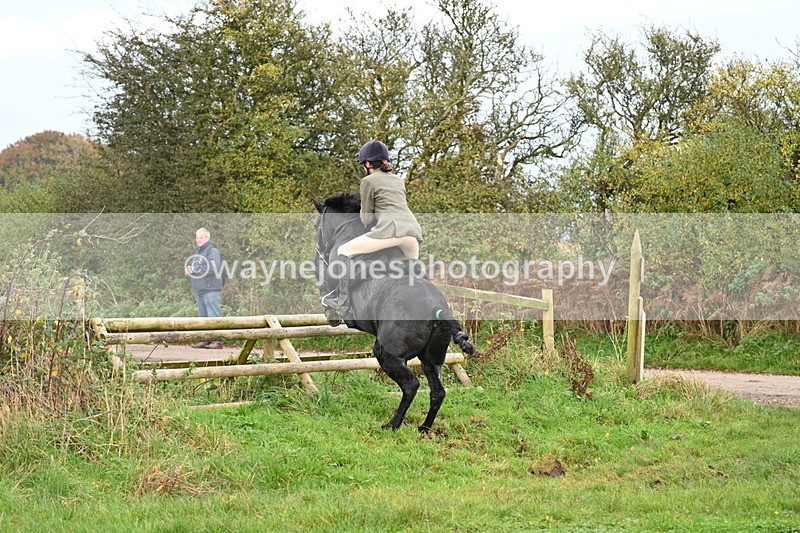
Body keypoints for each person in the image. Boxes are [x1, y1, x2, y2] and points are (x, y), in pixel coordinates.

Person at [323, 140, 423, 321]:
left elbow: (367, 218)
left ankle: (341, 303)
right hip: (412, 234)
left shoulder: (368, 181)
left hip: (390, 232)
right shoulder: (398, 180)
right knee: (415, 277)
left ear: (368, 163)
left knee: (343, 251)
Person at [185, 227, 225, 348]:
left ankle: (218, 341)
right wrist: (190, 270)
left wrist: (195, 269)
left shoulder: (212, 251)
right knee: (203, 317)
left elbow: (214, 268)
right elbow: (198, 268)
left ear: (207, 238)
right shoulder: (198, 252)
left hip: (211, 288)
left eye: (201, 237)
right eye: (197, 237)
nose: (198, 240)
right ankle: (206, 340)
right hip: (200, 289)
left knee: (214, 316)